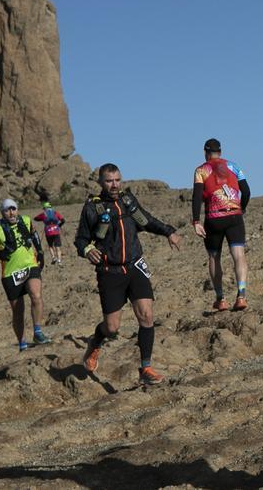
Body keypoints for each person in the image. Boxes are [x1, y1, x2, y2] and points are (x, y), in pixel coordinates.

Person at [74, 163, 181, 386]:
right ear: (101, 183)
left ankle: (146, 368)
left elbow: (147, 220)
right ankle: (95, 343)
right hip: (109, 272)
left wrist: (168, 231)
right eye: (109, 181)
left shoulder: (128, 201)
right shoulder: (92, 207)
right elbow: (81, 239)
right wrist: (87, 250)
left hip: (135, 266)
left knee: (146, 315)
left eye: (117, 180)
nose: (114, 185)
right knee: (112, 328)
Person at [191, 138, 251, 312]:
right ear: (221, 152)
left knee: (214, 258)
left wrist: (196, 221)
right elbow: (246, 190)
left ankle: (221, 299)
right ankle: (241, 296)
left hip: (214, 218)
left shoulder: (201, 170)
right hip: (234, 216)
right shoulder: (234, 166)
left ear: (205, 152)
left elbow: (196, 196)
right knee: (238, 255)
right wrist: (242, 207)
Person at [0, 198, 50, 350]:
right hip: (10, 272)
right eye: (7, 210)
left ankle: (38, 331)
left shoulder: (26, 220)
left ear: (17, 210)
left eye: (13, 208)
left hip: (30, 265)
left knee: (36, 295)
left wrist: (40, 252)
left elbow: (34, 235)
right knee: (18, 311)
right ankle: (22, 343)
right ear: (2, 212)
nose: (11, 212)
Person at [33, 201, 66, 266]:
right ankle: (59, 261)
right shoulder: (55, 213)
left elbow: (35, 218)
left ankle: (53, 258)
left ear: (44, 208)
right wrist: (59, 225)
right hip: (56, 230)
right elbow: (63, 220)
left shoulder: (43, 214)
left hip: (48, 232)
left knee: (50, 246)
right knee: (58, 247)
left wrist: (42, 220)